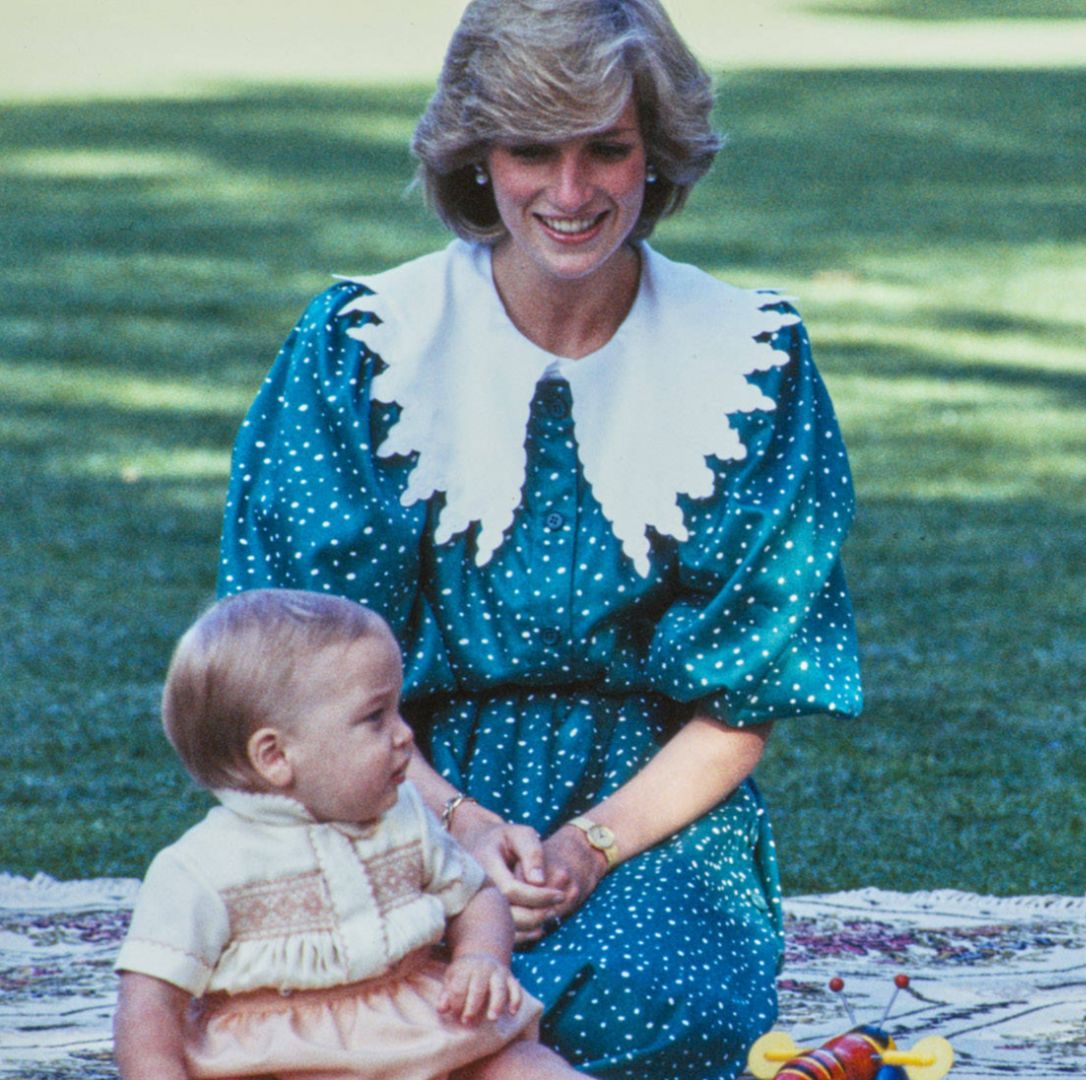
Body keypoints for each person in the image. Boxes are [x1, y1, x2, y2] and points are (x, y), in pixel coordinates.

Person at [217, 2, 862, 1076]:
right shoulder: (361, 346)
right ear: (477, 156)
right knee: (329, 993)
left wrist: (588, 848)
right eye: (531, 150)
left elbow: (746, 697)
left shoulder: (752, 361)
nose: (570, 193)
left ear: (657, 153)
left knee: (652, 1009)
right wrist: (458, 828)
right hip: (381, 783)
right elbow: (292, 666)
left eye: (606, 148)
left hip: (648, 807)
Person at [112, 589, 586, 1080]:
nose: (405, 735)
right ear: (275, 757)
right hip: (290, 1061)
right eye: (376, 716)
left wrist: (481, 957)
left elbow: (477, 895)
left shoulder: (405, 815)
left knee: (525, 1066)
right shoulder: (201, 869)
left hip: (431, 1033)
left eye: (399, 710)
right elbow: (149, 1006)